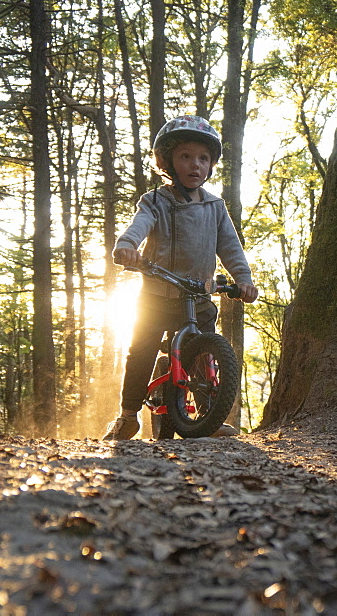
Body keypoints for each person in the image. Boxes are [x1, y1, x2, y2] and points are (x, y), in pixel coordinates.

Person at [102, 115, 258, 441]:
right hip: (157, 297)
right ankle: (128, 416)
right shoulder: (155, 201)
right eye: (185, 156)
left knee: (206, 355)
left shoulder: (215, 206)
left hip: (198, 296)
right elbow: (139, 226)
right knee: (142, 350)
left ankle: (208, 418)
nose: (194, 165)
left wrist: (243, 280)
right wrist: (128, 247)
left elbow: (231, 248)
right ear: (168, 161)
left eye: (203, 158)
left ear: (211, 165)